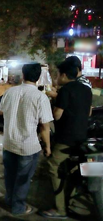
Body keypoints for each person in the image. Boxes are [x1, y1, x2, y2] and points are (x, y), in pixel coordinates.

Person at [40, 59, 92, 219]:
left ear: (63, 75)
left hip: (66, 138)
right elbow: (89, 113)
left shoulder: (65, 90)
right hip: (82, 137)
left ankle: (60, 208)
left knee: (53, 166)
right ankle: (72, 199)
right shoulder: (87, 89)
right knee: (74, 170)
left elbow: (57, 114)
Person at [0, 63, 53, 215]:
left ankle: (9, 200)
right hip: (28, 146)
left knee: (10, 176)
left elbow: (1, 113)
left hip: (9, 143)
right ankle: (18, 207)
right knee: (23, 179)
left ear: (23, 75)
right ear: (38, 77)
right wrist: (47, 146)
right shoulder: (41, 97)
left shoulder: (10, 92)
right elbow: (44, 126)